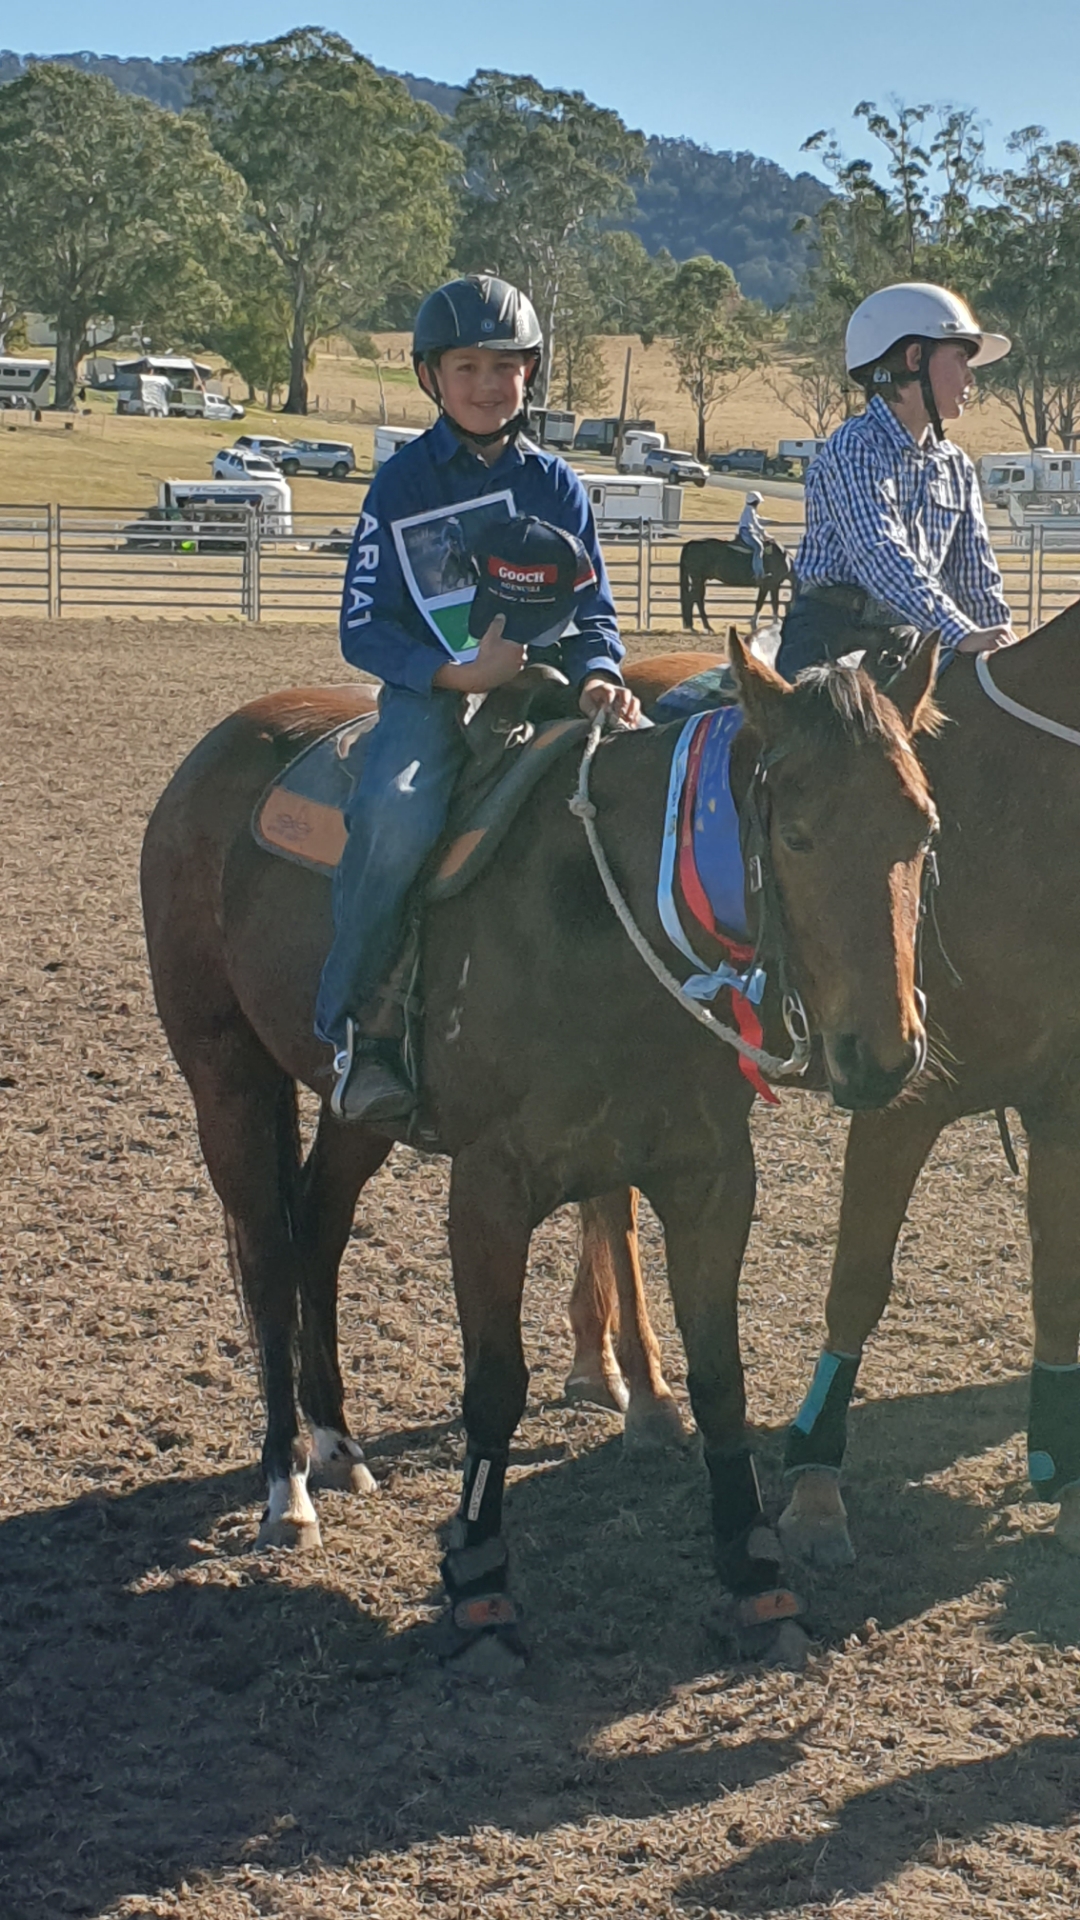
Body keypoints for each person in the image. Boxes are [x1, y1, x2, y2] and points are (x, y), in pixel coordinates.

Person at [315, 273, 640, 1126]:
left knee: (656, 785)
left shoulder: (558, 485)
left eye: (506, 367)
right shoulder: (401, 485)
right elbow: (364, 628)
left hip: (547, 686)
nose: (489, 385)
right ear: (431, 377)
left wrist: (600, 672)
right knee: (395, 814)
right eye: (467, 368)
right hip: (434, 695)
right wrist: (456, 677)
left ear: (530, 374)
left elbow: (593, 611)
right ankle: (357, 1029)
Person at [775, 283, 1018, 683]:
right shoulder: (854, 447)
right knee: (821, 719)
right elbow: (880, 554)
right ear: (914, 357)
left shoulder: (955, 465)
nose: (970, 377)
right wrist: (960, 633)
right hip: (828, 636)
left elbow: (975, 575)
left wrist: (999, 644)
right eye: (960, 357)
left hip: (910, 637)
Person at [735, 491, 766, 579]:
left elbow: (757, 519)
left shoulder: (749, 509)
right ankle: (758, 573)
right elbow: (755, 523)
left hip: (748, 531)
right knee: (759, 548)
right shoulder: (750, 510)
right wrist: (763, 533)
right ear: (755, 502)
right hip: (747, 532)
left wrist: (770, 521)